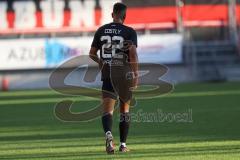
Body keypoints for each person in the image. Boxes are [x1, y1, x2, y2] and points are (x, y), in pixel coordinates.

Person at [89, 2, 138, 154]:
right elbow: (133, 54)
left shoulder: (101, 30)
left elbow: (92, 53)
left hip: (108, 72)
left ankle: (109, 136)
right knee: (124, 110)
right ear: (125, 16)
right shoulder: (130, 32)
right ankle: (123, 145)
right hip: (123, 73)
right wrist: (135, 75)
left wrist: (101, 63)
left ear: (112, 14)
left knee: (107, 111)